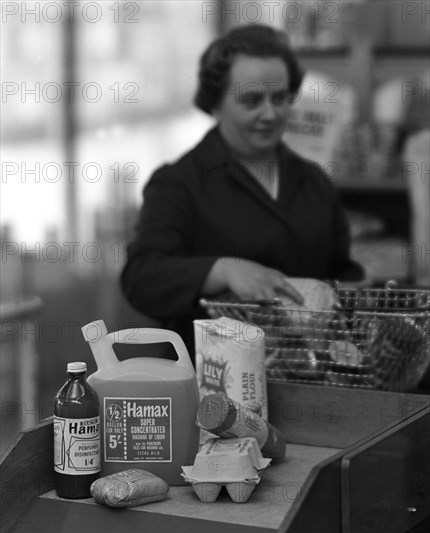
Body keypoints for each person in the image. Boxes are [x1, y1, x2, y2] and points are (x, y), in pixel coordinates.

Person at [121, 24, 364, 356]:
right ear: (216, 103)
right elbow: (142, 278)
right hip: (215, 385)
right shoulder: (179, 184)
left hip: (310, 379)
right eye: (251, 100)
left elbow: (341, 271)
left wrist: (356, 293)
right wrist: (222, 269)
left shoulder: (314, 181)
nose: (270, 113)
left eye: (280, 98)